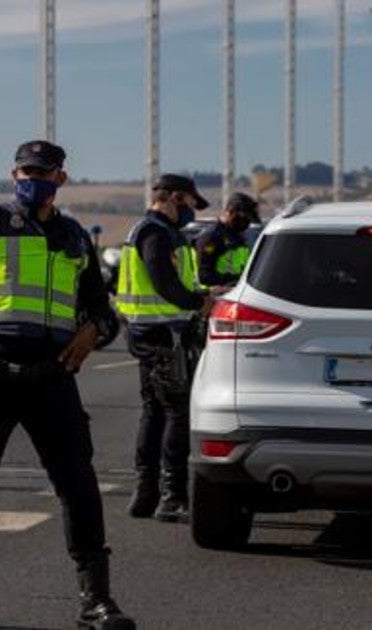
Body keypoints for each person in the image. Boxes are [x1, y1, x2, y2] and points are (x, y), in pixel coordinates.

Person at [0, 68, 134, 630]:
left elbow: (101, 312)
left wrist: (94, 334)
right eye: (24, 171)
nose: (32, 179)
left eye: (43, 172)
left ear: (60, 177)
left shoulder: (74, 238)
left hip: (53, 376)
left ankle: (96, 601)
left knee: (79, 484)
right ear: (13, 175)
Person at [118, 174, 220, 523]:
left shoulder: (155, 231)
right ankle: (171, 495)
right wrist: (200, 302)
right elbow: (164, 283)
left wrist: (205, 292)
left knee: (155, 410)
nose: (193, 212)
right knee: (175, 409)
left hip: (152, 330)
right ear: (175, 197)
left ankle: (145, 495)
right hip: (162, 333)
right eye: (191, 203)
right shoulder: (155, 232)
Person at [194, 192, 260, 288]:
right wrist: (232, 282)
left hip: (236, 294)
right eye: (243, 219)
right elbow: (204, 276)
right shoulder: (211, 237)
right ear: (230, 212)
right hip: (215, 296)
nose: (246, 223)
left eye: (249, 220)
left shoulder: (239, 237)